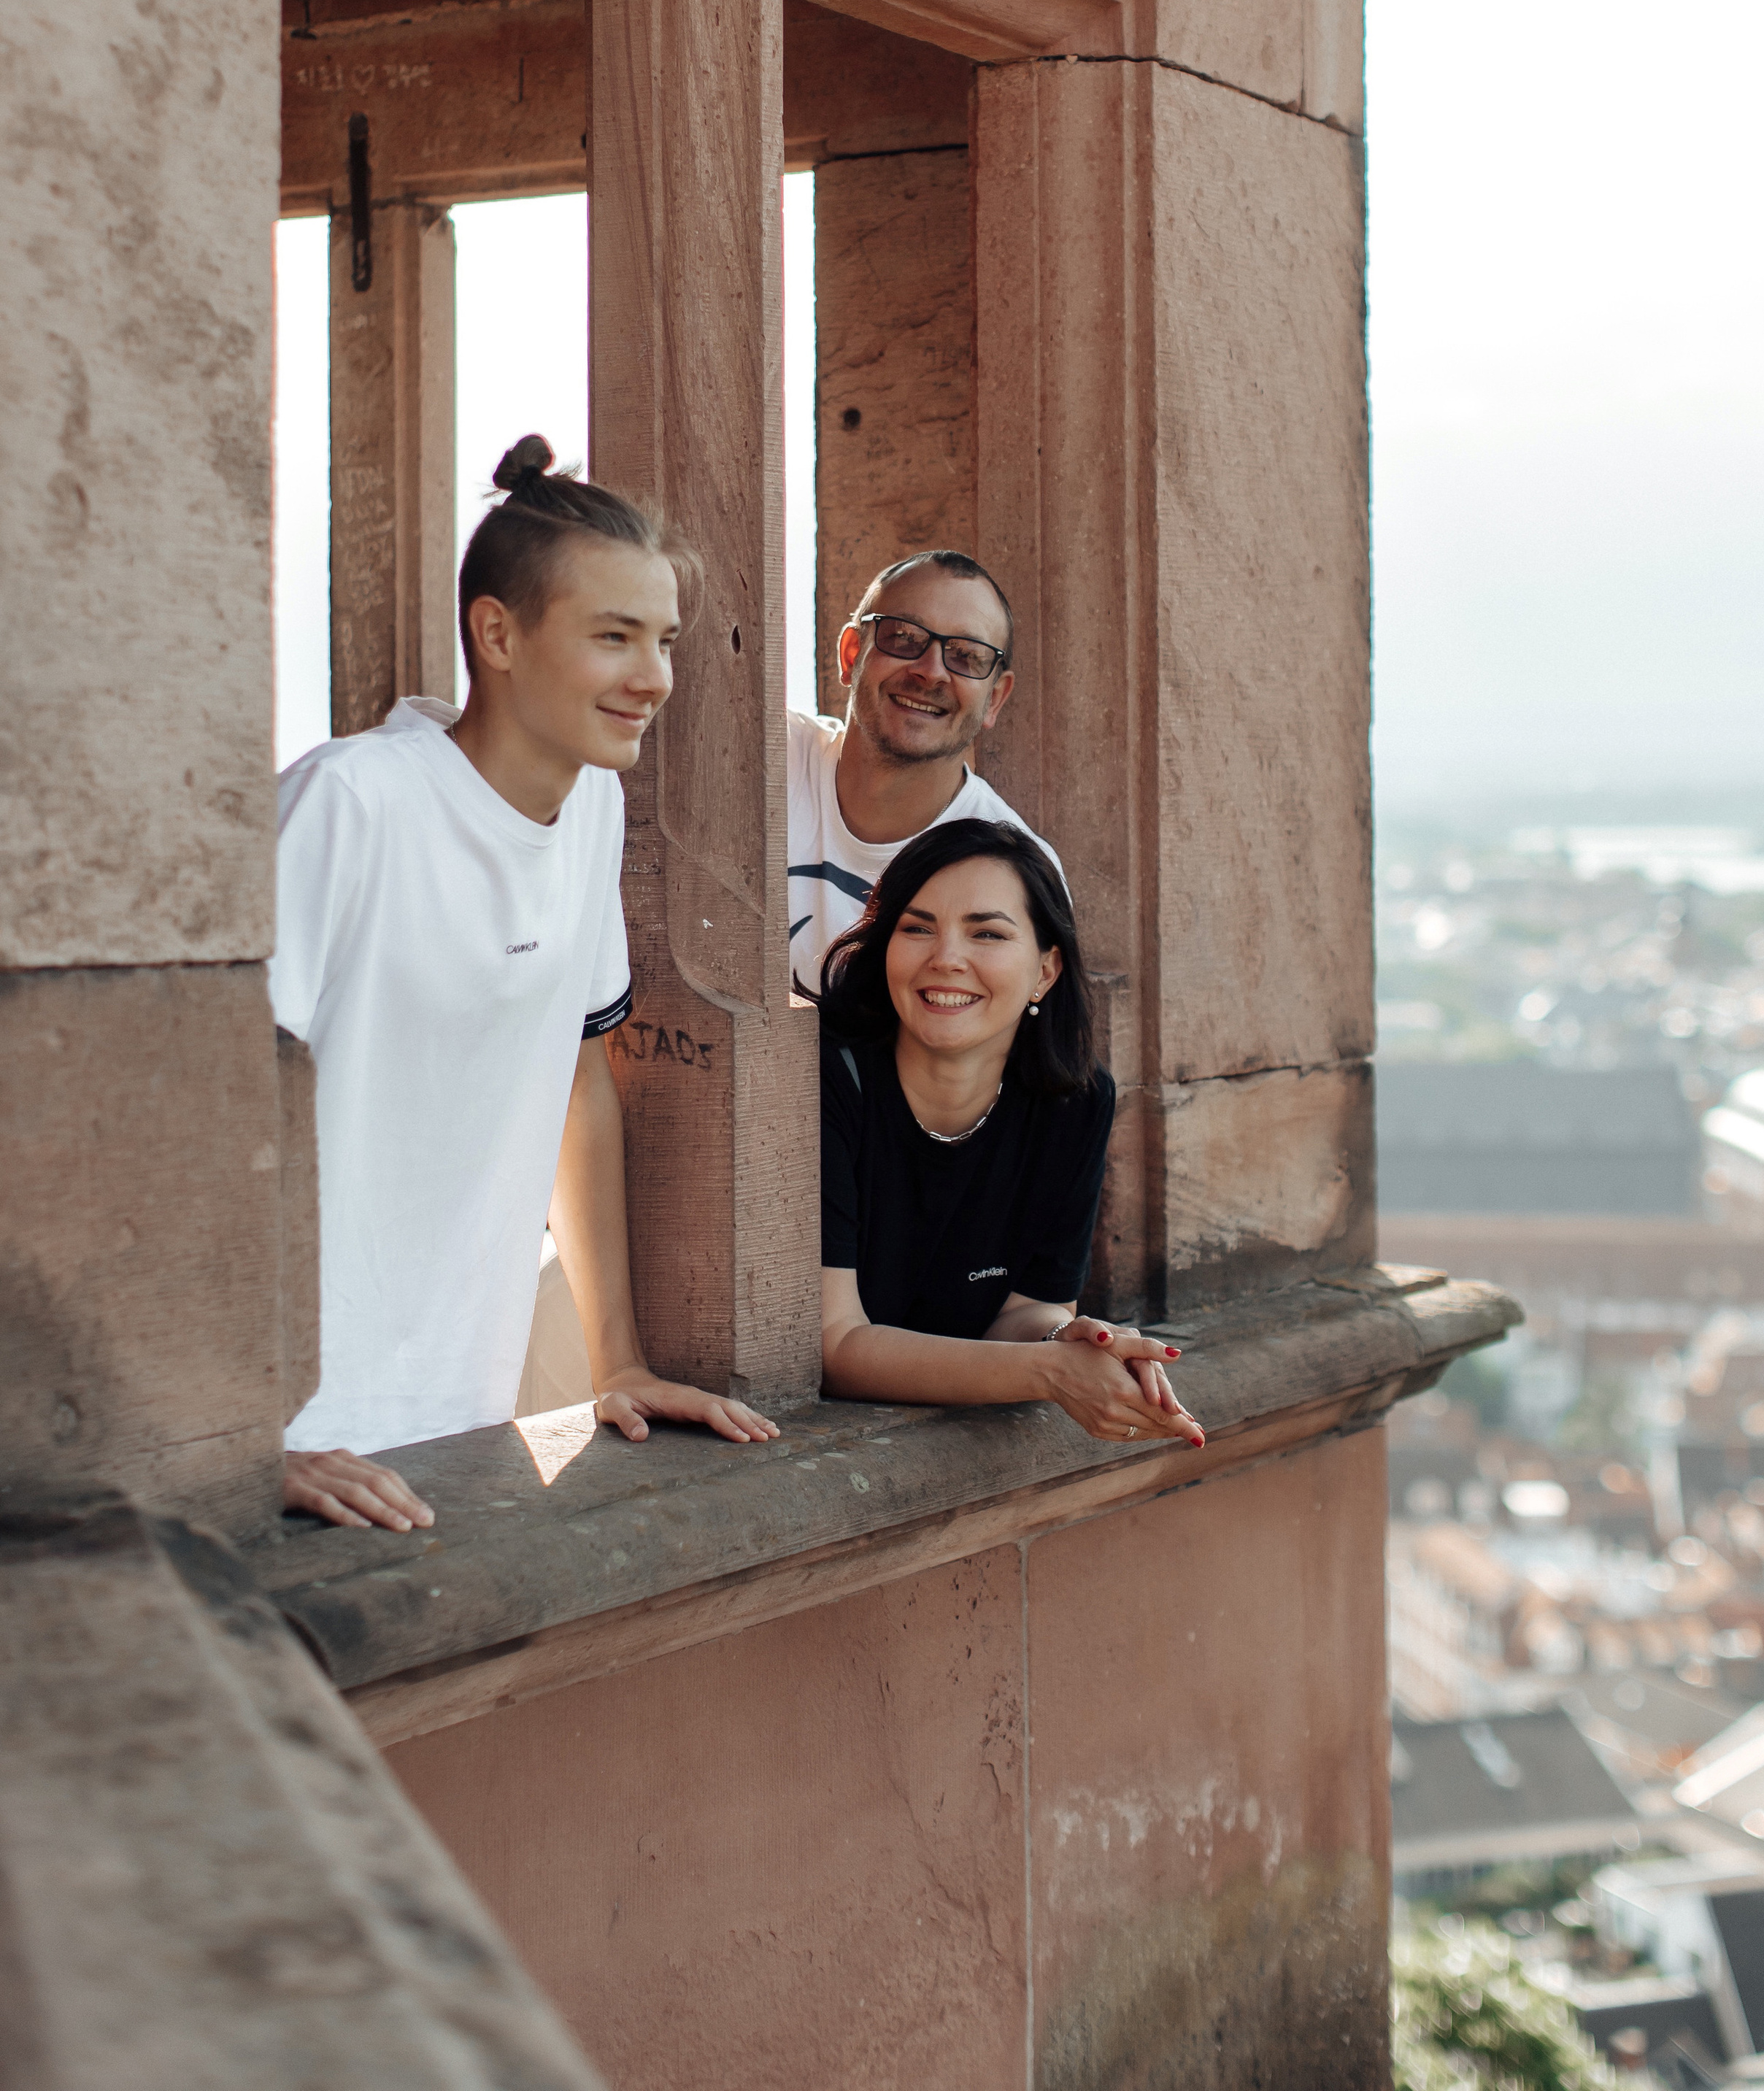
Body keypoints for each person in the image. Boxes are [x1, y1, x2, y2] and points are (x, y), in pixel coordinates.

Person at [272, 435, 781, 1533]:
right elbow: (201, 1127)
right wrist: (236, 1440)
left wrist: (618, 1362)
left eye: (664, 640)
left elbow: (577, 1085)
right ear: (496, 632)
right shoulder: (350, 805)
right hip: (304, 1433)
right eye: (614, 637)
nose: (654, 679)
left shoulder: (593, 805)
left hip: (457, 1413)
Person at [816, 817, 1203, 1447]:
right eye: (917, 928)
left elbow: (1026, 1311)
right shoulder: (827, 1078)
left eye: (987, 933)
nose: (946, 959)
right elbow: (836, 1344)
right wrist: (1047, 1372)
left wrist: (1075, 1344)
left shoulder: (1073, 1102)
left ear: (1045, 972)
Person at [788, 549, 1062, 994]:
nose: (930, 672)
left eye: (967, 656)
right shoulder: (761, 762)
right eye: (904, 637)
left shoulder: (1018, 875)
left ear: (995, 699)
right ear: (851, 652)